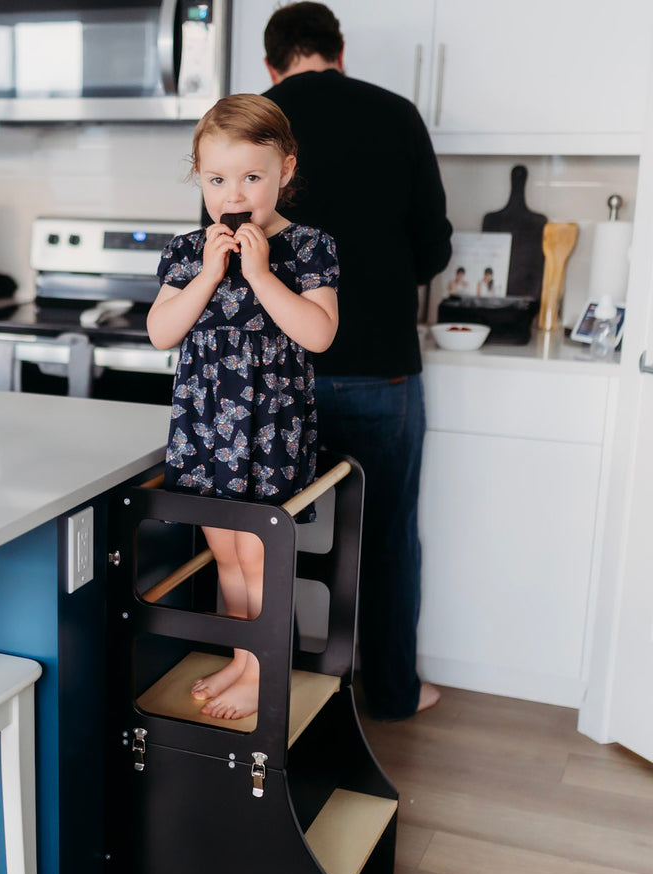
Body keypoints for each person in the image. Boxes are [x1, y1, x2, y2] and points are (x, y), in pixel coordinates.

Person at [233, 2, 454, 719]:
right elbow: (433, 252)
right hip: (378, 368)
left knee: (258, 537)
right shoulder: (396, 115)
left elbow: (227, 238)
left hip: (269, 375)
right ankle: (391, 691)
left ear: (271, 64)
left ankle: (266, 680)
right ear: (339, 51)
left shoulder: (249, 121)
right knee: (386, 532)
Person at [149, 94, 340, 720]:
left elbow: (317, 333)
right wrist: (209, 274)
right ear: (200, 179)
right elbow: (161, 332)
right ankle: (242, 658)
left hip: (266, 433)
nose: (234, 193)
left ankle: (265, 672)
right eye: (217, 179)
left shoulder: (309, 247)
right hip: (206, 431)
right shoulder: (187, 251)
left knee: (260, 557)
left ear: (285, 171)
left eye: (251, 177)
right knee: (226, 556)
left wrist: (259, 275)